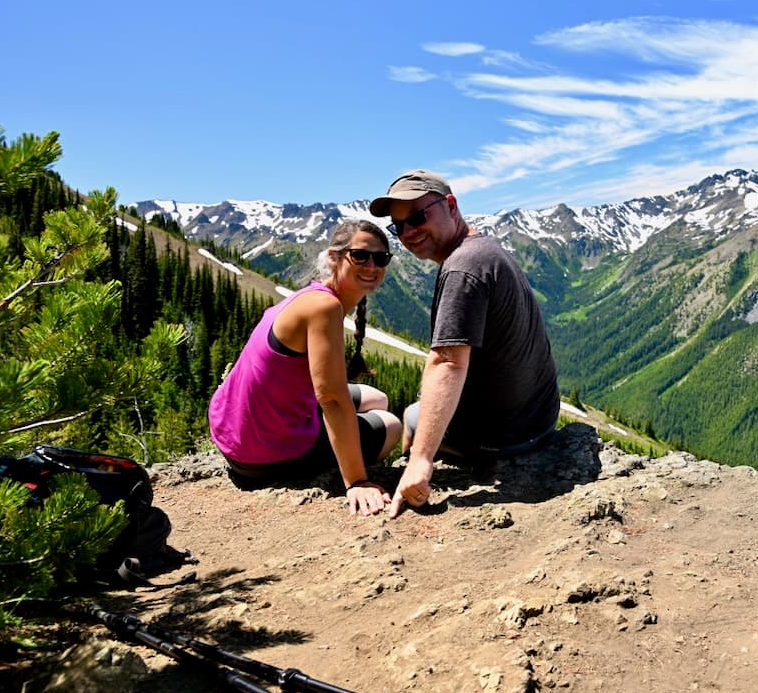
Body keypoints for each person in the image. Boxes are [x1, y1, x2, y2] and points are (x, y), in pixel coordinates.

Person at [367, 170, 559, 518]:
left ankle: (409, 467)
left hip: (505, 438)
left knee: (412, 416)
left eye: (417, 217)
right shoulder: (486, 249)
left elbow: (447, 362)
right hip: (538, 420)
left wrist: (421, 460)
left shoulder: (461, 268)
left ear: (450, 205)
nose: (409, 232)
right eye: (399, 227)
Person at [208, 220, 403, 515]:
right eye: (360, 256)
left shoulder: (310, 295)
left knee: (377, 398)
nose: (371, 265)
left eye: (380, 258)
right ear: (334, 258)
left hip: (234, 435)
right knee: (391, 425)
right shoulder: (324, 308)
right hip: (264, 453)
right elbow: (332, 399)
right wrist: (357, 481)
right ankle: (346, 467)